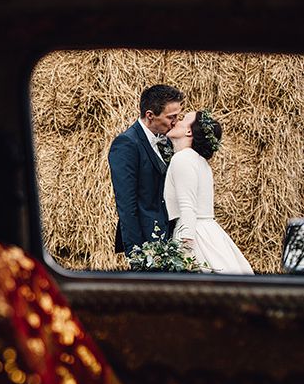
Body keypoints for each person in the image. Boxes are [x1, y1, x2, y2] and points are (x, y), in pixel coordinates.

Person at [164, 110, 254, 274]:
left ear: (189, 131)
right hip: (207, 231)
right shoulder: (199, 161)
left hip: (192, 234)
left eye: (183, 119)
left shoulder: (183, 158)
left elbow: (187, 207)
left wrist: (185, 250)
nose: (175, 121)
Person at [108, 84, 183, 258]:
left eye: (177, 116)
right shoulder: (126, 144)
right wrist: (137, 253)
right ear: (150, 115)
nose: (176, 122)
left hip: (169, 237)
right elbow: (126, 204)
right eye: (171, 117)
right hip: (146, 243)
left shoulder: (166, 141)